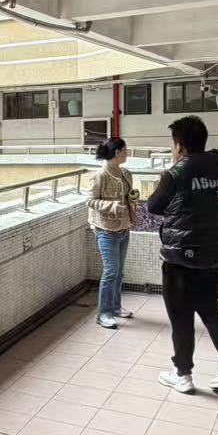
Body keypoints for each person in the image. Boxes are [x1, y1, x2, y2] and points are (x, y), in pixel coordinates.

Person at [145, 116, 218, 395]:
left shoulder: (176, 173)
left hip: (182, 255)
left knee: (181, 317)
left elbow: (153, 207)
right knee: (209, 309)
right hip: (216, 252)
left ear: (179, 146)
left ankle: (183, 375)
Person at [87, 137, 136, 329]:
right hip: (106, 230)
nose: (127, 153)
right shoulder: (100, 175)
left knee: (119, 272)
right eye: (125, 150)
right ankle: (104, 314)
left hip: (123, 227)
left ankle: (115, 307)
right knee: (111, 271)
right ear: (117, 153)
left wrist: (132, 196)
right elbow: (90, 201)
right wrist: (112, 206)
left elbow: (127, 195)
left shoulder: (125, 173)